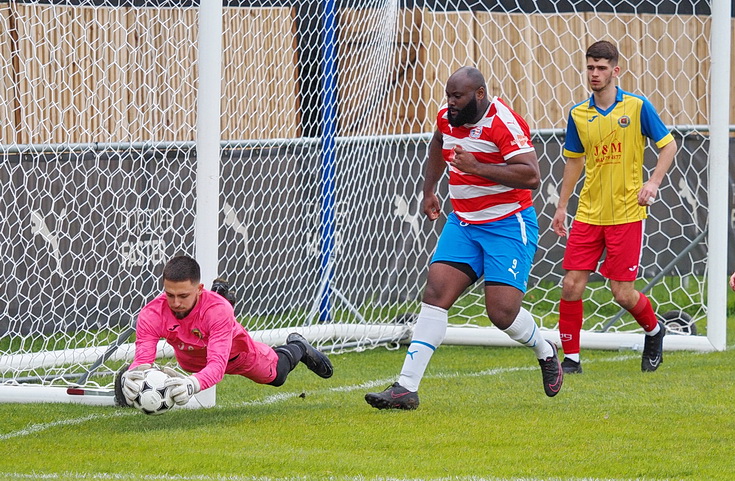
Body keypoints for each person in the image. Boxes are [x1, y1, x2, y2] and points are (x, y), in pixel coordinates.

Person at [364, 66, 563, 410]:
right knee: (436, 292)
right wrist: (429, 190)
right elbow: (438, 142)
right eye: (448, 96)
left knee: (501, 314)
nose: (450, 104)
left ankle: (545, 351)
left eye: (458, 97)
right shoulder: (447, 118)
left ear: (480, 95)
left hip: (507, 225)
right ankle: (405, 388)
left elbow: (532, 175)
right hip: (464, 224)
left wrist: (477, 168)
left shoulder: (504, 123)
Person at [552, 40, 677, 374]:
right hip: (589, 213)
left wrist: (652, 183)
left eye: (602, 68)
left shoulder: (636, 107)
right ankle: (572, 361)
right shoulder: (579, 114)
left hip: (626, 214)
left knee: (622, 293)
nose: (595, 73)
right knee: (571, 285)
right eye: (590, 67)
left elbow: (669, 145)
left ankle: (654, 330)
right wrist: (562, 206)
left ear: (615, 71)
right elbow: (574, 162)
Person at [115, 255, 333, 408]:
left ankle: (298, 346)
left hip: (236, 356)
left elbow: (217, 366)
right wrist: (132, 376)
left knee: (278, 376)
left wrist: (192, 384)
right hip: (191, 361)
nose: (175, 302)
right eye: (170, 295)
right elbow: (143, 359)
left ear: (199, 290)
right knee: (214, 316)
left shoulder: (218, 312)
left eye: (183, 296)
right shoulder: (151, 313)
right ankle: (219, 296)